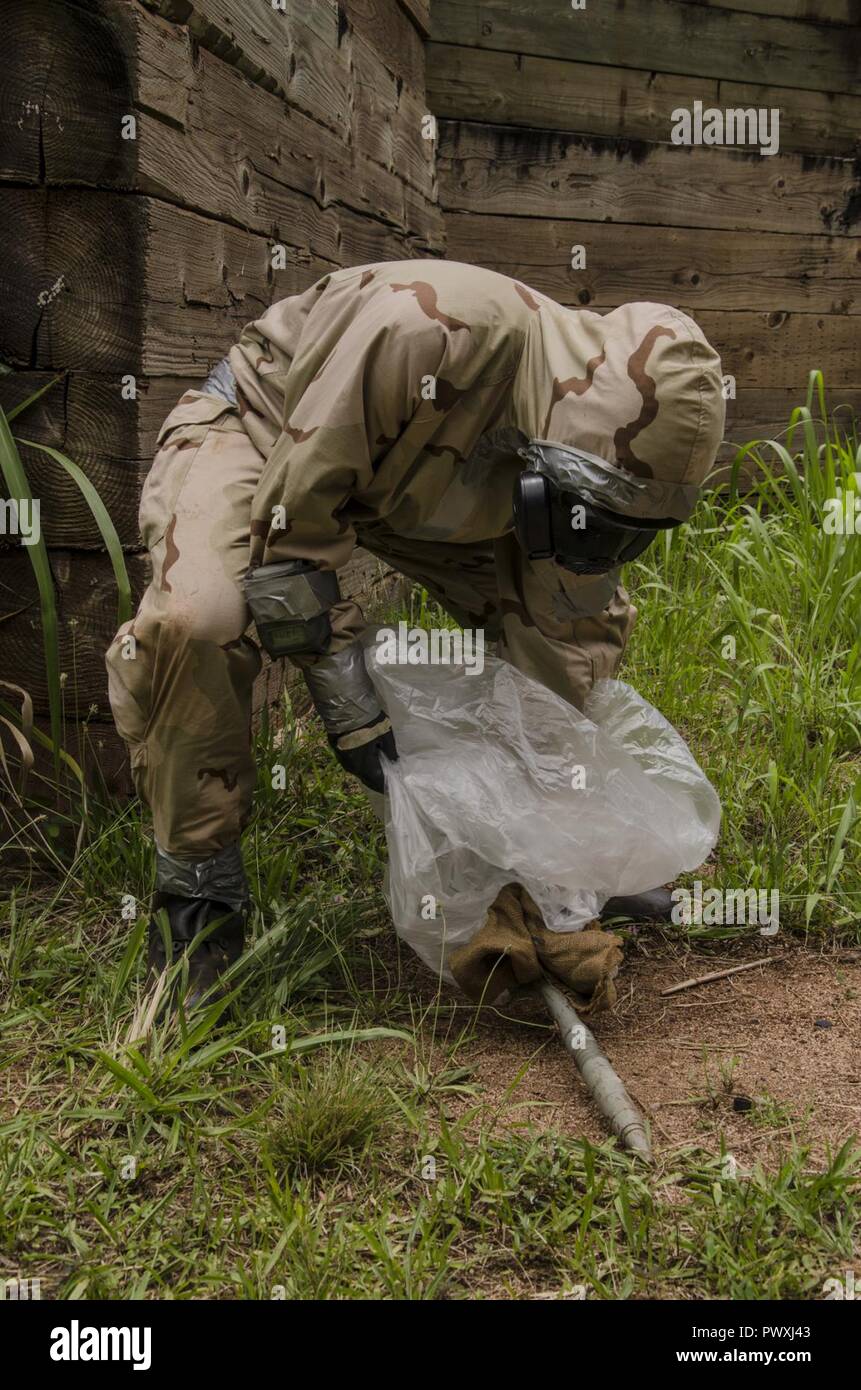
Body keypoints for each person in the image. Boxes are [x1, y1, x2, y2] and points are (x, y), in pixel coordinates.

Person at [106, 259, 725, 1006]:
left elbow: (570, 636)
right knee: (196, 621)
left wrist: (561, 856)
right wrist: (355, 718)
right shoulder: (421, 328)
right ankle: (198, 899)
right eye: (589, 517)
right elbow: (294, 535)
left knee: (565, 634)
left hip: (452, 474)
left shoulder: (579, 467)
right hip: (273, 434)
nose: (596, 542)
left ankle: (556, 878)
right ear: (561, 446)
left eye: (623, 534)